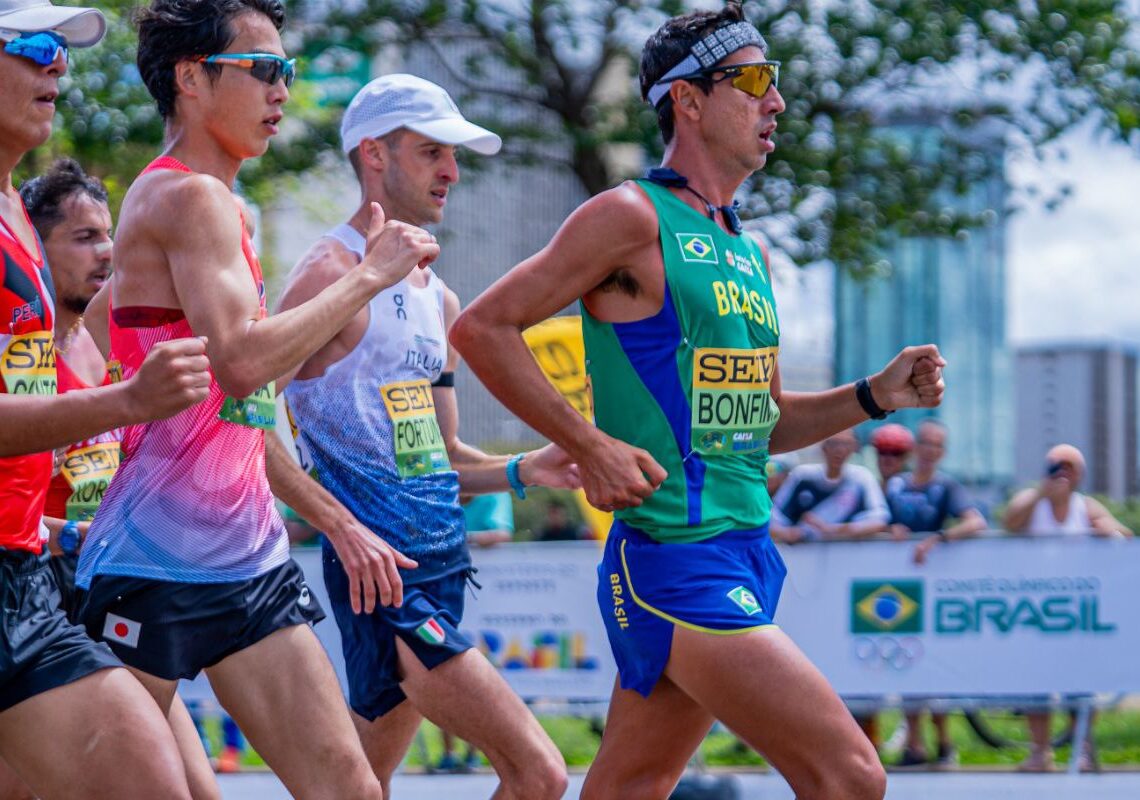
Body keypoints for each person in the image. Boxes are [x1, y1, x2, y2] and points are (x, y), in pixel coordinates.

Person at [449, 4, 946, 797]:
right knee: (851, 776)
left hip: (745, 544)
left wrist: (871, 396)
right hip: (675, 558)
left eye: (774, 82)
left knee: (628, 789)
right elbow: (482, 329)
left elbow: (765, 422)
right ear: (686, 100)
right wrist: (590, 446)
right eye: (752, 81)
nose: (775, 101)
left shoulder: (750, 252)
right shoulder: (629, 217)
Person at [72, 2, 440, 798]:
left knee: (352, 790)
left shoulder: (211, 206)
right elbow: (242, 368)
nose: (282, 90)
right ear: (191, 78)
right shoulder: (189, 198)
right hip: (153, 563)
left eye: (289, 72)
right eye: (265, 69)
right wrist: (368, 278)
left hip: (249, 562)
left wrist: (337, 521)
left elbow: (128, 340)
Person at [277, 74, 573, 799]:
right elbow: (235, 413)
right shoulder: (330, 271)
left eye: (455, 154)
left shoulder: (436, 295)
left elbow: (439, 460)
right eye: (431, 151)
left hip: (443, 565)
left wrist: (528, 469)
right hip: (387, 582)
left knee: (359, 786)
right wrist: (337, 526)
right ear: (373, 154)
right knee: (539, 774)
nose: (452, 171)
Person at [0, 2, 212, 797]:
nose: (56, 66)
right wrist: (129, 401)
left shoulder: (17, 210)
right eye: (30, 47)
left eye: (60, 50)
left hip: (26, 574)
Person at [1003, 443, 1132, 772]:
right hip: (1036, 610)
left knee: (1081, 680)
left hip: (1074, 613)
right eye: (1055, 465)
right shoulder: (1032, 501)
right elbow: (1010, 522)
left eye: (1068, 466)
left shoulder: (1086, 507)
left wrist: (1107, 530)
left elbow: (1123, 534)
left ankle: (1084, 748)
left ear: (1079, 474)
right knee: (1036, 682)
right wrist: (1041, 493)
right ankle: (1040, 751)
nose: (1061, 472)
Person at [878, 420, 986, 769]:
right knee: (906, 664)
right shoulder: (894, 486)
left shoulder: (946, 488)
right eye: (924, 443)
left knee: (933, 670)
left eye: (936, 446)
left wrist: (937, 539)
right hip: (897, 589)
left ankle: (944, 744)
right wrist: (886, 529)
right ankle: (914, 746)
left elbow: (975, 522)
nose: (928, 451)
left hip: (934, 588)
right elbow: (873, 518)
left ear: (942, 453)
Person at [768, 429, 890, 544]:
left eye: (846, 444)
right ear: (823, 446)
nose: (839, 450)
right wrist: (789, 533)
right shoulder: (802, 476)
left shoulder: (862, 477)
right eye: (834, 443)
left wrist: (834, 530)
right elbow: (773, 516)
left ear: (855, 447)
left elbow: (880, 518)